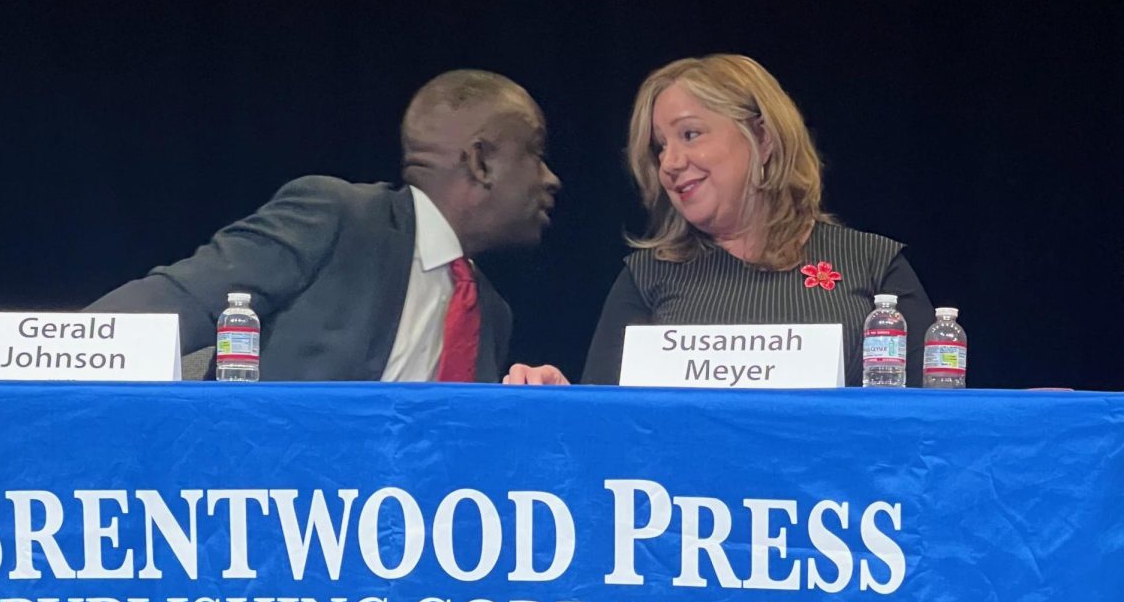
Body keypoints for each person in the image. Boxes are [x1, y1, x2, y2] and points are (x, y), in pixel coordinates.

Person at [88, 70, 560, 381]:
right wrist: (42, 363)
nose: (550, 179)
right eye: (535, 154)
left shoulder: (490, 316)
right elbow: (178, 301)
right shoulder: (340, 219)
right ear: (480, 162)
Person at [506, 54, 932, 387]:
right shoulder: (647, 278)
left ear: (762, 139)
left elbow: (939, 431)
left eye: (690, 134)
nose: (670, 163)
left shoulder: (873, 266)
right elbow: (605, 430)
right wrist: (562, 401)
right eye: (659, 147)